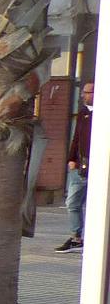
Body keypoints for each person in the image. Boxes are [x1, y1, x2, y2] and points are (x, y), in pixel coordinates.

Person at [60, 82, 93, 253]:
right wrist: (71, 158)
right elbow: (76, 137)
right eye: (83, 93)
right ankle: (76, 237)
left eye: (87, 92)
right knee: (72, 202)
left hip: (98, 167)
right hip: (80, 166)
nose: (83, 96)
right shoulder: (83, 113)